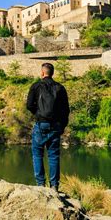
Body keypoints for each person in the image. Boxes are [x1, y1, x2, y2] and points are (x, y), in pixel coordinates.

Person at [26, 62, 70, 192]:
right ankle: (54, 186)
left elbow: (29, 105)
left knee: (37, 154)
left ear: (42, 73)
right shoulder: (60, 88)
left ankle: (40, 185)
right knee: (53, 155)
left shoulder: (36, 86)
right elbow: (66, 110)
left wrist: (38, 114)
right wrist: (62, 126)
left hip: (41, 124)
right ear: (52, 73)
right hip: (56, 125)